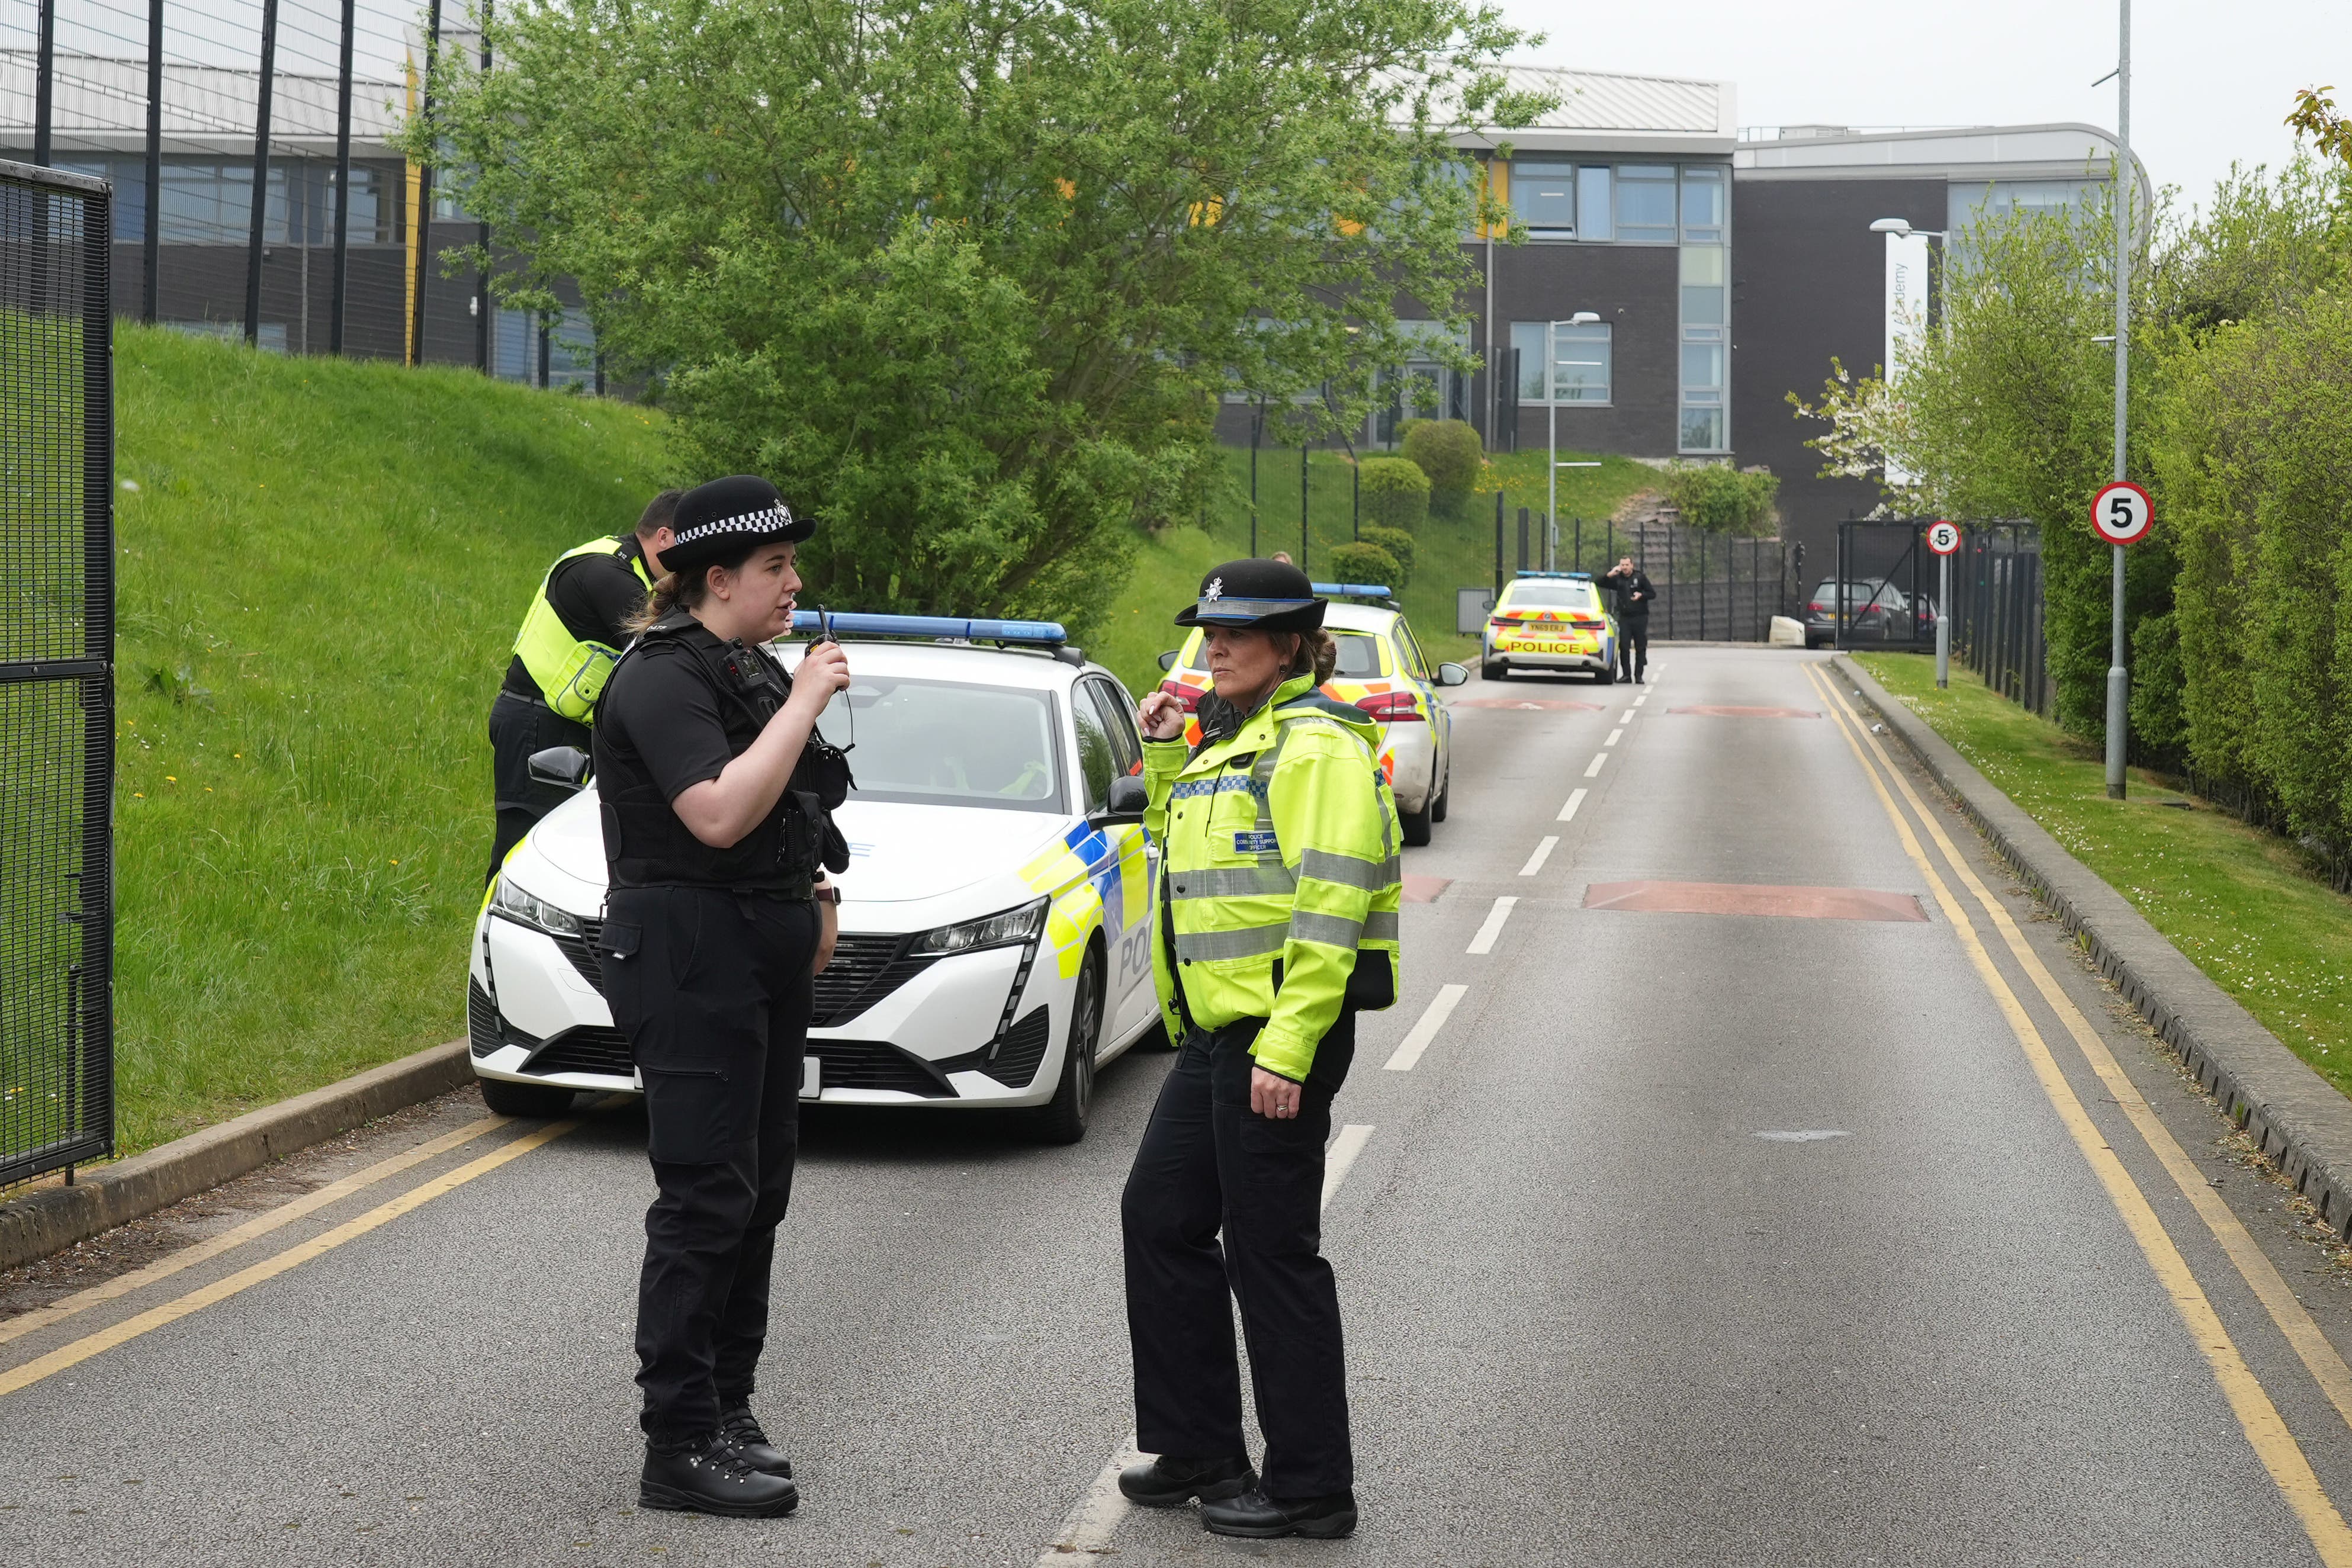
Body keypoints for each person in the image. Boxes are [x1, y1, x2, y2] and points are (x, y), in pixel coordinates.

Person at [1118, 558, 1403, 1542]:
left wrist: (1286, 1048)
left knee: (1271, 1250)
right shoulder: (1231, 741)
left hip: (1278, 1033)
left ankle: (1312, 1484)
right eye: (1208, 627)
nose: (1216, 643)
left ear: (1289, 643)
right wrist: (1160, 757)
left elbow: (1331, 901)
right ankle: (1199, 1444)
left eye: (1239, 630)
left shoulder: (1316, 744)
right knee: (1158, 1217)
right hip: (1215, 1034)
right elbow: (1187, 865)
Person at [587, 475, 853, 1519]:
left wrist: (816, 891)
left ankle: (727, 1405)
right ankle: (679, 1439)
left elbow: (784, 805)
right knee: (705, 1195)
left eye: (792, 563)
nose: (795, 582)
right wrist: (802, 700)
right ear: (715, 578)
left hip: (759, 943)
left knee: (759, 1187)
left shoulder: (740, 663)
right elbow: (713, 811)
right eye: (776, 567)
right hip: (689, 951)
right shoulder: (661, 677)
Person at [486, 491, 680, 881]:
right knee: (523, 851)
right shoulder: (608, 572)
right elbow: (666, 648)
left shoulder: (628, 568)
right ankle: (498, 932)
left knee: (566, 855)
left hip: (556, 722)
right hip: (537, 723)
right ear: (664, 537)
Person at [1598, 554, 1654, 683]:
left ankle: (1639, 675)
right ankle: (1626, 675)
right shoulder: (1618, 579)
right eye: (1622, 565)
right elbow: (1599, 583)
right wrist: (1610, 574)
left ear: (1632, 565)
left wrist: (1641, 595)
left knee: (1640, 647)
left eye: (1627, 565)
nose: (1624, 568)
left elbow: (1652, 594)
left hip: (1640, 617)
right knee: (1624, 646)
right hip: (1624, 618)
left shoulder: (1640, 577)